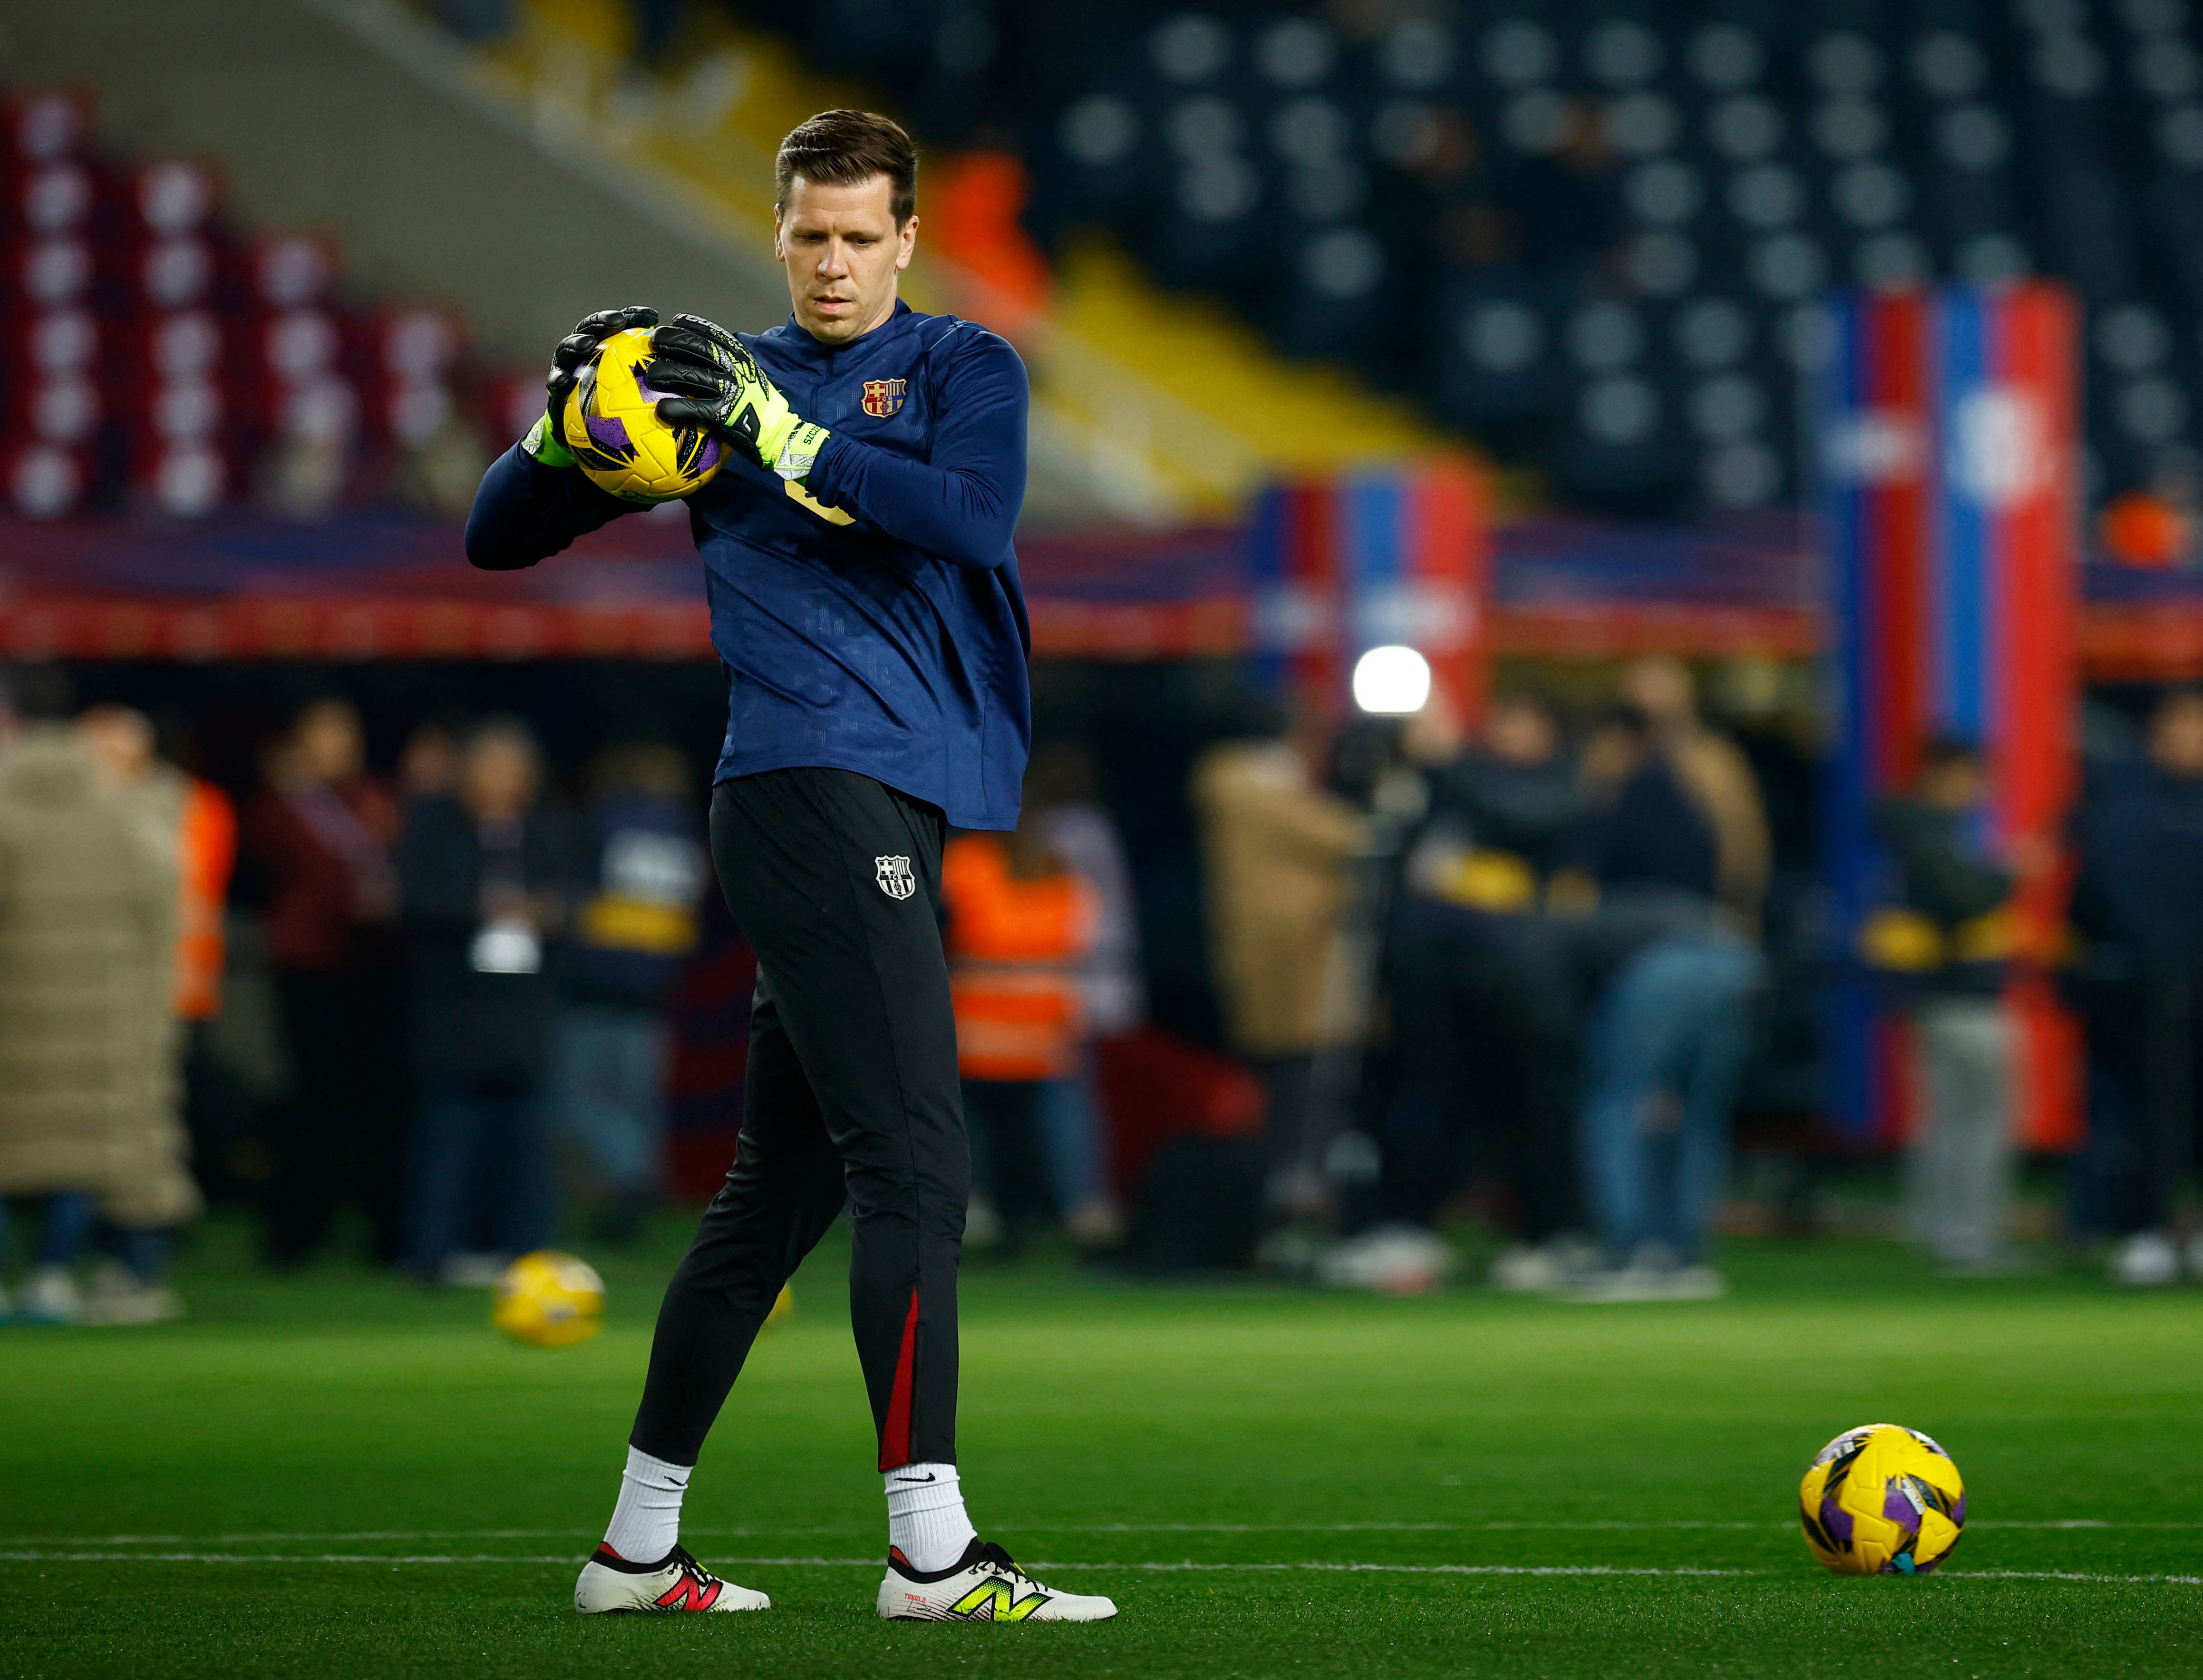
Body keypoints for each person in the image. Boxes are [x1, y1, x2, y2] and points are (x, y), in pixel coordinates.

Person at [465, 110, 1114, 1621]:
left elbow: (971, 516)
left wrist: (785, 433)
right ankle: (930, 1554)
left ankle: (631, 1549)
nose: (830, 263)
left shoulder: (961, 367)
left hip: (865, 808)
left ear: (904, 239)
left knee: (776, 1194)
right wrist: (556, 435)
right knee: (917, 1169)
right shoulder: (702, 393)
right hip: (812, 794)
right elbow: (499, 538)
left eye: (856, 236)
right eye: (806, 236)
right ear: (776, 234)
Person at [1326, 691, 1587, 1294]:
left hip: (1520, 986)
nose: (1504, 732)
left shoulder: (1553, 784)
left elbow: (1523, 822)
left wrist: (1448, 759)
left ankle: (1550, 1235)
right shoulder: (1447, 786)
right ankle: (1409, 1227)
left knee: (1529, 1111)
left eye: (1519, 720)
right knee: (1422, 1105)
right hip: (1432, 980)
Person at [0, 686, 198, 1324]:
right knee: (89, 1154)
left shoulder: (12, 808)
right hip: (109, 1022)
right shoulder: (133, 816)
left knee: (27, 1151)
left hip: (20, 1023)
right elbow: (162, 909)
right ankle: (70, 1273)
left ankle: (38, 1276)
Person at [1562, 700, 1767, 1300]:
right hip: (1731, 954)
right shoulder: (1698, 793)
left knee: (1619, 1101)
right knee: (1697, 1111)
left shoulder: (1628, 792)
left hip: (1664, 958)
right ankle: (1681, 1254)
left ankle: (1631, 1250)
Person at [397, 719, 573, 1285]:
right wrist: (483, 910)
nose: (502, 782)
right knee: (448, 1141)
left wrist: (550, 912)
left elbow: (580, 895)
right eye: (490, 768)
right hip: (454, 1008)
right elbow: (412, 902)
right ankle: (433, 1253)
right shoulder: (432, 828)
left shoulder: (548, 830)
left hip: (525, 1010)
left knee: (525, 1144)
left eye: (513, 770)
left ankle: (524, 1254)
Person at [242, 699, 405, 1267]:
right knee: (314, 1104)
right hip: (310, 968)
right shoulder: (285, 804)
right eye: (325, 733)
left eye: (346, 732)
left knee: (380, 1105)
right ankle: (296, 1232)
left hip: (376, 964)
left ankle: (389, 1234)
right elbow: (266, 860)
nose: (339, 744)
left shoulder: (376, 796)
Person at [1191, 697, 1366, 1226]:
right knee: (1299, 1081)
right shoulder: (1246, 780)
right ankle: (1290, 1195)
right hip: (1289, 956)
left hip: (1294, 957)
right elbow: (1345, 835)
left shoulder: (1258, 782)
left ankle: (1291, 1194)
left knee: (1299, 1078)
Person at [1871, 738, 2038, 1272]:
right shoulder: (1928, 834)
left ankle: (1943, 1229)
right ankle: (1969, 1236)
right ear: (1945, 775)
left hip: (1940, 997)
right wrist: (2011, 873)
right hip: (1961, 995)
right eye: (1975, 778)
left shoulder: (1917, 831)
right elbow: (1964, 898)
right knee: (1981, 1117)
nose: (1981, 792)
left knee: (1948, 1118)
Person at [2070, 688, 2203, 1284]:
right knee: (2149, 1113)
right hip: (2146, 982)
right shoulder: (2124, 801)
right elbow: (2093, 896)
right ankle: (2149, 1230)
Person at [555, 741, 709, 1240]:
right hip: (655, 985)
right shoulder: (688, 833)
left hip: (596, 980)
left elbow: (575, 891)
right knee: (635, 1099)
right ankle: (632, 1185)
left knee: (574, 1096)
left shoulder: (604, 820)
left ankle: (631, 1177)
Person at [941, 803, 1098, 1250]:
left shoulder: (967, 866)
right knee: (1050, 1124)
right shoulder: (1065, 878)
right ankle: (1081, 1208)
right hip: (1041, 1035)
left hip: (977, 1032)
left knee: (970, 1126)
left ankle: (976, 1208)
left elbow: (948, 932)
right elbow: (1079, 941)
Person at [1027, 741, 1140, 1248]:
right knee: (1069, 1099)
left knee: (1070, 1099)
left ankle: (1085, 1205)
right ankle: (1077, 1203)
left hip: (1074, 983)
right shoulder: (1088, 826)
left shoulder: (1073, 830)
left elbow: (1083, 919)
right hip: (1065, 984)